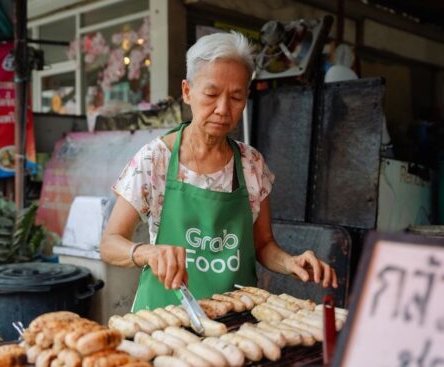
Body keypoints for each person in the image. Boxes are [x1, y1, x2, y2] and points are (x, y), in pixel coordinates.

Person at [100, 31, 338, 311]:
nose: (223, 109)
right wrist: (146, 252)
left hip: (235, 321)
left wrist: (289, 262)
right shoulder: (155, 160)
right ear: (187, 92)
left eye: (236, 97)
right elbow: (110, 243)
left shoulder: (252, 165)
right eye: (211, 94)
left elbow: (263, 244)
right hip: (164, 320)